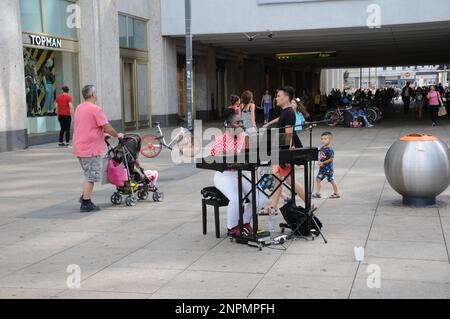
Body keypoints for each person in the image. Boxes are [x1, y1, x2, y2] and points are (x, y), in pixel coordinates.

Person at [211, 108, 265, 237]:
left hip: (244, 172)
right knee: (236, 198)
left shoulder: (245, 137)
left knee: (260, 199)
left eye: (241, 122)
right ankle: (232, 227)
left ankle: (245, 222)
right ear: (229, 125)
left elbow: (252, 153)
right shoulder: (221, 139)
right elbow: (214, 155)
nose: (241, 125)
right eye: (237, 123)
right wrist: (228, 153)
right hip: (225, 174)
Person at [73, 85, 124, 213]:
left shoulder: (79, 107)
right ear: (93, 94)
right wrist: (117, 135)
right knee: (91, 176)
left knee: (88, 173)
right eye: (96, 92)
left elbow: (87, 126)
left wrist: (101, 134)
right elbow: (106, 126)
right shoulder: (96, 109)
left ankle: (85, 195)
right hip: (90, 149)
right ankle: (86, 203)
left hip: (79, 146)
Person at [261, 86, 308, 215]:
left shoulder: (289, 113)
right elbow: (282, 123)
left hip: (283, 152)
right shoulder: (285, 112)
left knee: (289, 180)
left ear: (287, 98)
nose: (276, 98)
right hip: (279, 151)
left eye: (279, 96)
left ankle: (309, 204)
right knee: (278, 180)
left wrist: (285, 156)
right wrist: (268, 124)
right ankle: (272, 207)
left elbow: (289, 135)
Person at [313, 132, 341, 199]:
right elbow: (320, 156)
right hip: (322, 169)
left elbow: (331, 159)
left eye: (325, 139)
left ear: (330, 140)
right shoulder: (321, 148)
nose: (323, 140)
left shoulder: (330, 150)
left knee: (331, 180)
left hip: (328, 168)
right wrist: (319, 161)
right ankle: (318, 193)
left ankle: (337, 193)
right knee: (318, 179)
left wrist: (323, 162)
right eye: (322, 139)